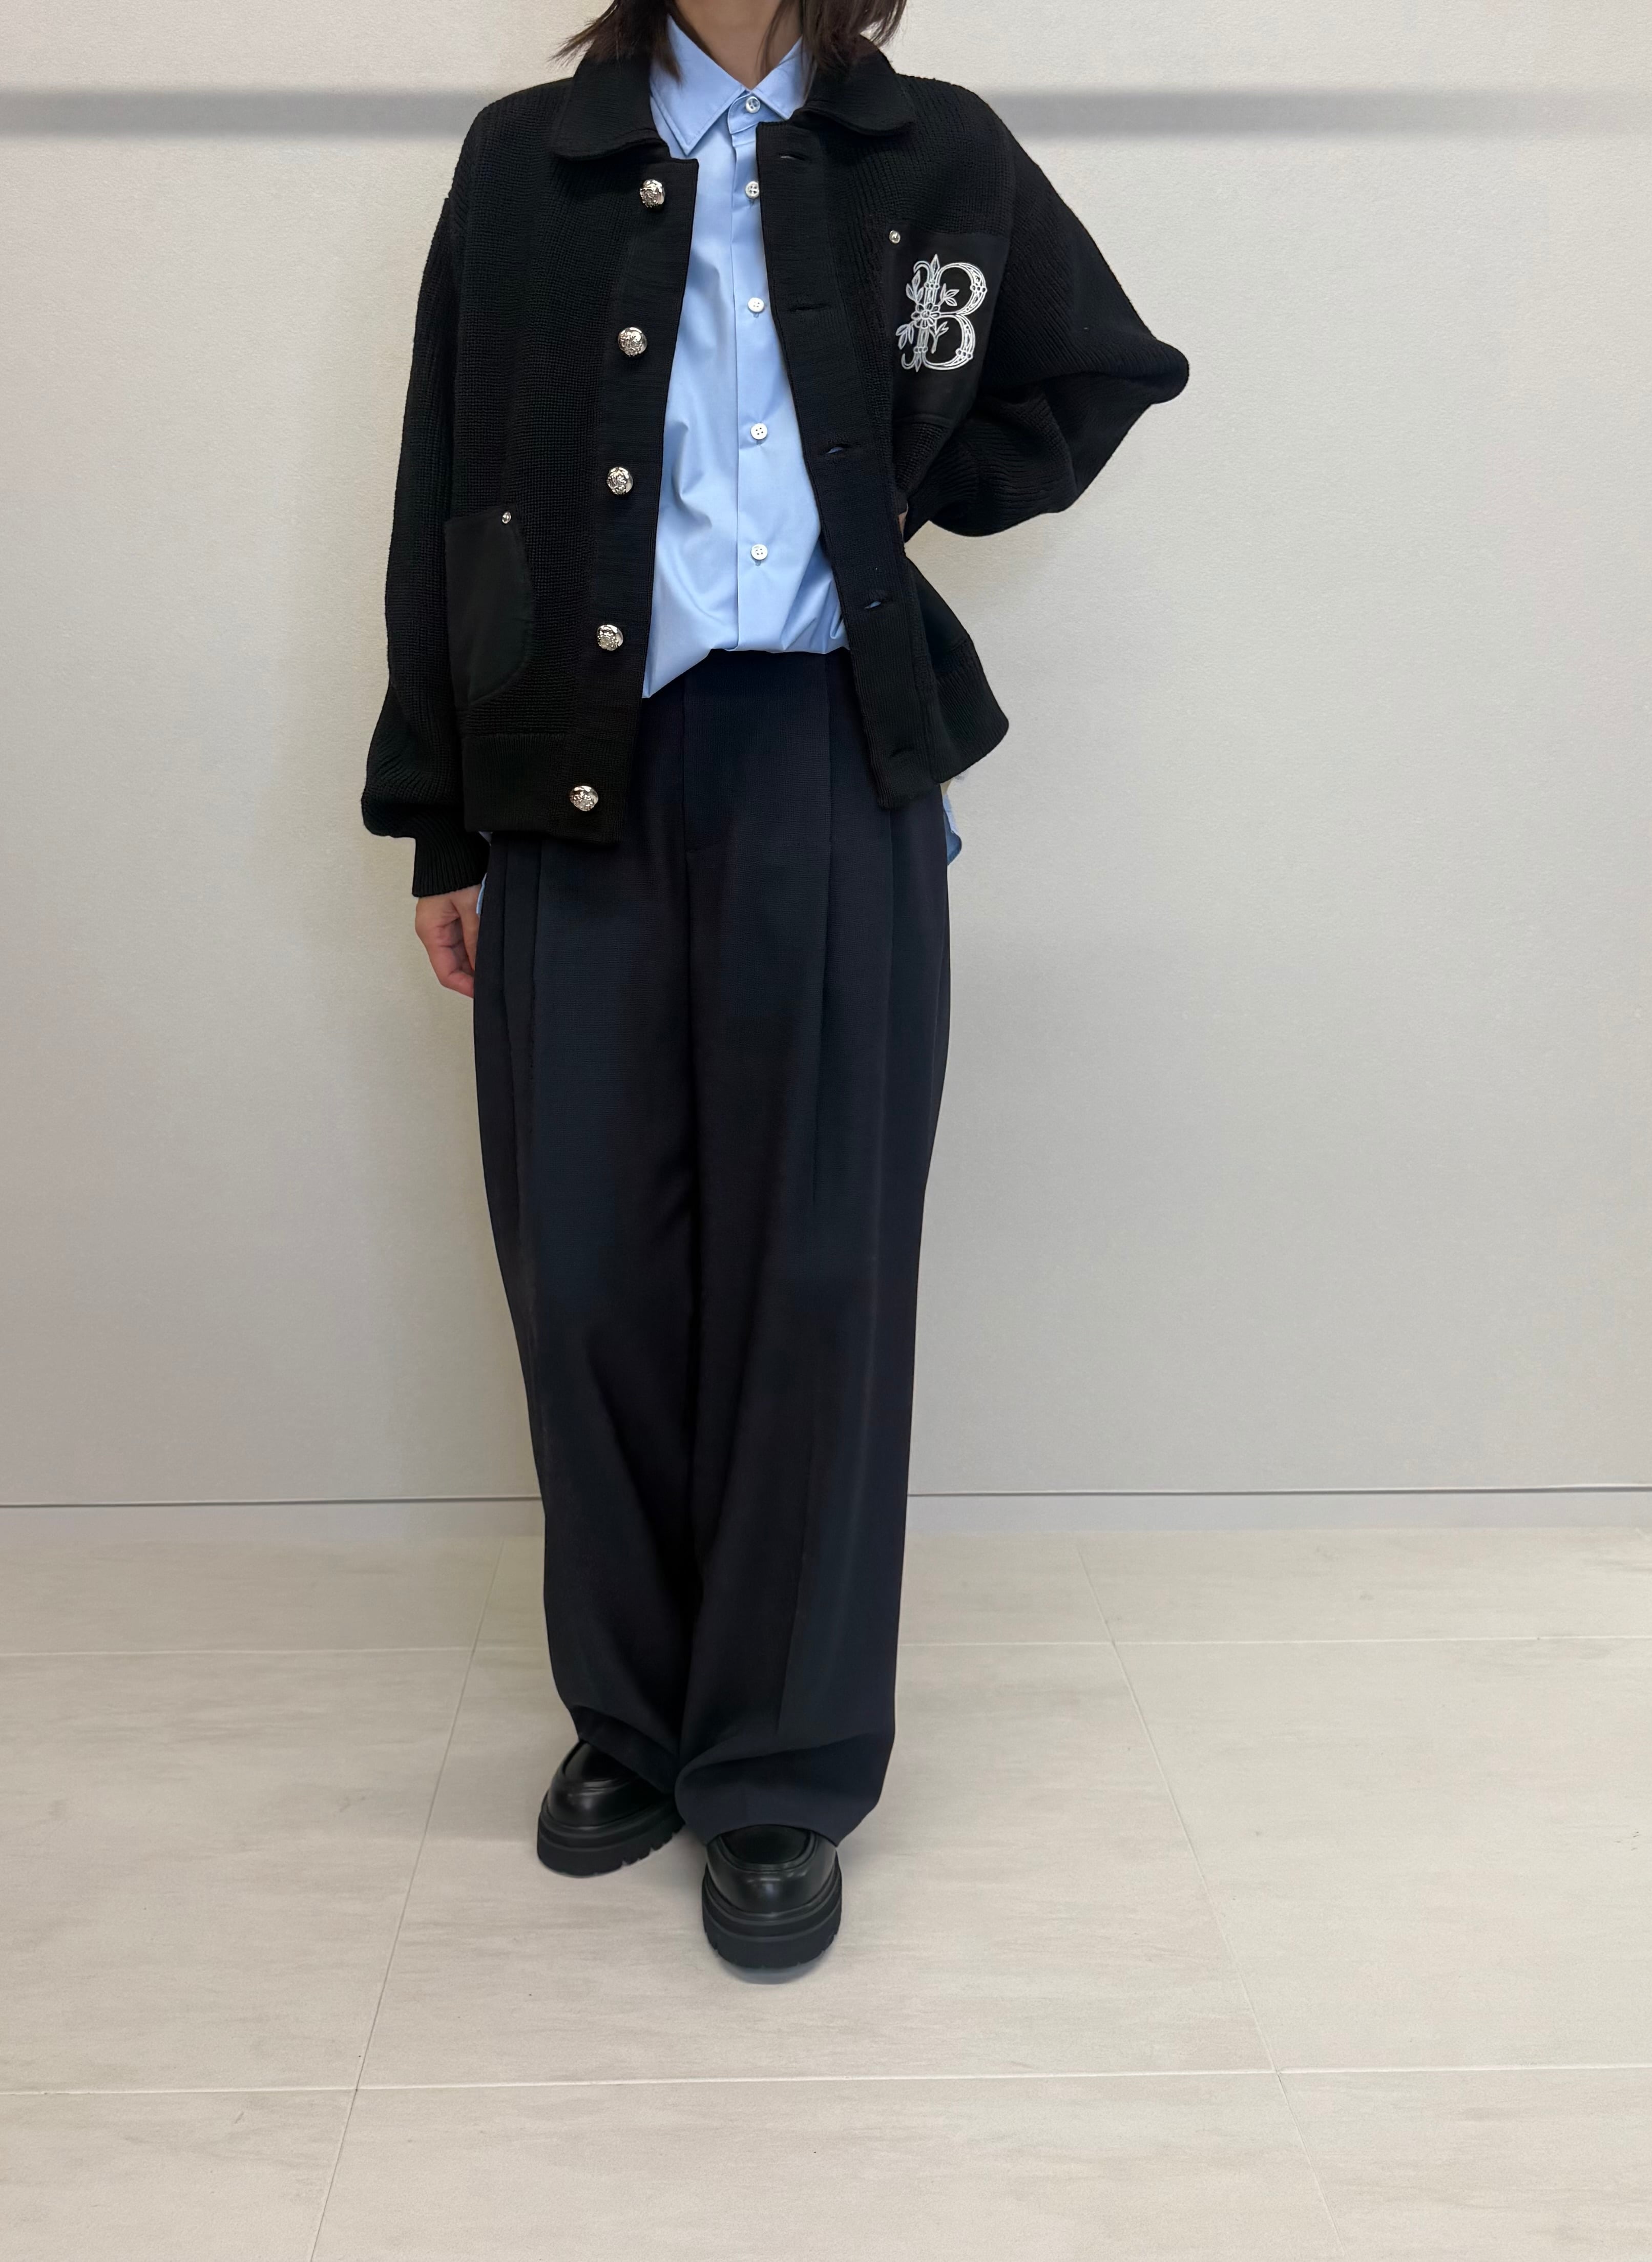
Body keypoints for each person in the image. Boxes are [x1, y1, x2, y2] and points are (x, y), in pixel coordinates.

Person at [362, 0, 1187, 1974]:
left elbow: (1097, 370)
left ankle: (781, 1765)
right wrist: (438, 817)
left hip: (827, 760)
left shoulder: (936, 149)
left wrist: (915, 481)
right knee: (585, 1267)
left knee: (817, 1270)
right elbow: (442, 489)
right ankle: (632, 1718)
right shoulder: (527, 160)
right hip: (568, 770)